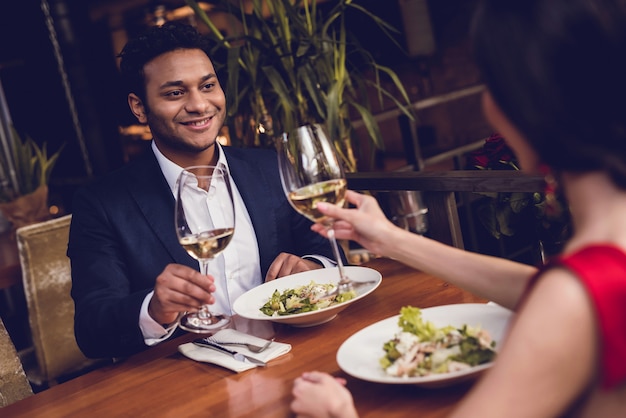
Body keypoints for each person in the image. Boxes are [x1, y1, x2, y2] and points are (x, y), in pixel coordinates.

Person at [291, 0, 626, 416]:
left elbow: (564, 299)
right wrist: (391, 239)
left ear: (526, 100)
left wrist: (339, 411)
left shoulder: (575, 298)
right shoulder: (597, 265)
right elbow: (543, 290)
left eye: (490, 81)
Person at [68, 22, 341, 359]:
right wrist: (153, 309)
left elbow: (325, 246)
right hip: (188, 380)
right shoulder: (101, 204)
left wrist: (312, 267)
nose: (199, 105)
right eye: (175, 93)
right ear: (139, 107)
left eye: (208, 85)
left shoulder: (269, 167)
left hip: (294, 353)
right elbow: (92, 330)